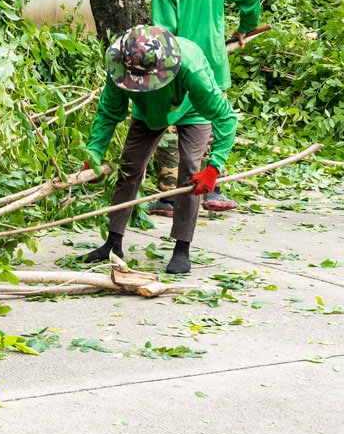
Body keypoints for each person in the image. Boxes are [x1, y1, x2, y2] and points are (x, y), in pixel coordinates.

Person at [80, 25, 238, 274]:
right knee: (129, 165)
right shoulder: (119, 65)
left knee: (189, 170)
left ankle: (181, 249)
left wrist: (214, 167)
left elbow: (226, 118)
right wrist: (94, 153)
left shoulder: (190, 68)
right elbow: (109, 112)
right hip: (148, 111)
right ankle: (113, 242)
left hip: (192, 109)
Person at [146, 0, 261, 217]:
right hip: (214, 63)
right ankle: (212, 190)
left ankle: (170, 199)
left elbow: (165, 31)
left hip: (180, 68)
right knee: (209, 124)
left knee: (170, 127)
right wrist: (245, 28)